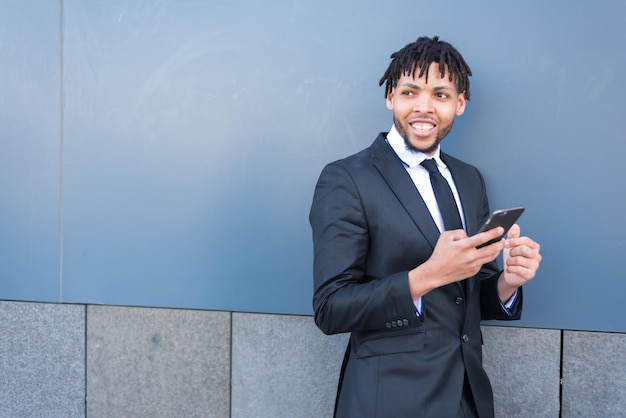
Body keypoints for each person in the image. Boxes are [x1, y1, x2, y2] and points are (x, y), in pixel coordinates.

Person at [309, 36, 542, 418]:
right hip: (388, 401)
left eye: (440, 94)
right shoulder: (346, 178)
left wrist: (507, 283)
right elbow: (331, 308)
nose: (423, 107)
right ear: (390, 96)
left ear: (460, 104)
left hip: (467, 397)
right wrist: (426, 276)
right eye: (410, 92)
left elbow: (462, 295)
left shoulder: (469, 179)